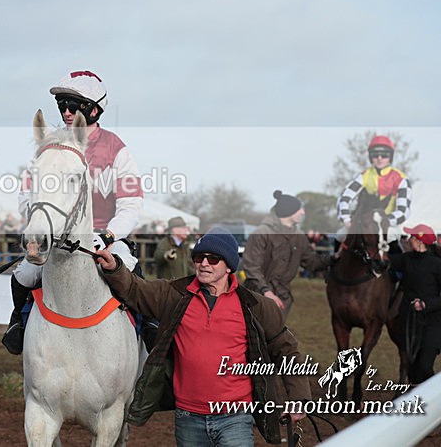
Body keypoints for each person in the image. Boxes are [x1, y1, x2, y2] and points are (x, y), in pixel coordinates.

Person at [96, 227, 309, 446]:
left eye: (213, 258)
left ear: (229, 266)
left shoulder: (256, 306)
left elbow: (287, 350)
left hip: (235, 418)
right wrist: (114, 268)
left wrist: (298, 397)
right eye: (199, 257)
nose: (204, 263)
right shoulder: (175, 294)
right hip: (188, 418)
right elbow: (135, 290)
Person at [3, 69, 144, 354]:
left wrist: (108, 235)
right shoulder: (50, 145)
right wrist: (42, 224)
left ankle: (150, 335)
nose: (66, 112)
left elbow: (132, 203)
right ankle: (17, 322)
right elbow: (27, 194)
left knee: (131, 272)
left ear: (93, 109)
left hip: (105, 237)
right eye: (61, 105)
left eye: (72, 105)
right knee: (25, 274)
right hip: (57, 238)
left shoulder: (116, 149)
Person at [242, 190, 333, 318]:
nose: (303, 212)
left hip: (282, 297)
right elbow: (252, 267)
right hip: (255, 297)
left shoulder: (299, 237)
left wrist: (335, 258)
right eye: (299, 209)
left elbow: (311, 262)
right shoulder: (261, 233)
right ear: (288, 211)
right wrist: (266, 292)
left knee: (273, 336)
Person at [389, 224, 441, 386]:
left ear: (420, 241)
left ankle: (435, 397)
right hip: (409, 322)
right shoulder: (405, 259)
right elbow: (384, 260)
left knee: (425, 367)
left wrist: (426, 304)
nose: (409, 239)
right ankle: (418, 404)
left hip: (432, 323)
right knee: (412, 369)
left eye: (412, 237)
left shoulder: (437, 264)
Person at [337, 135, 412, 229]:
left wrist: (383, 221)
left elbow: (403, 211)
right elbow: (344, 198)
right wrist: (346, 219)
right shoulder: (364, 176)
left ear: (390, 157)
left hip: (389, 225)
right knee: (340, 236)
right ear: (370, 157)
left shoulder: (401, 179)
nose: (379, 158)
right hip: (364, 223)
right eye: (375, 155)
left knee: (393, 238)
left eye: (384, 155)